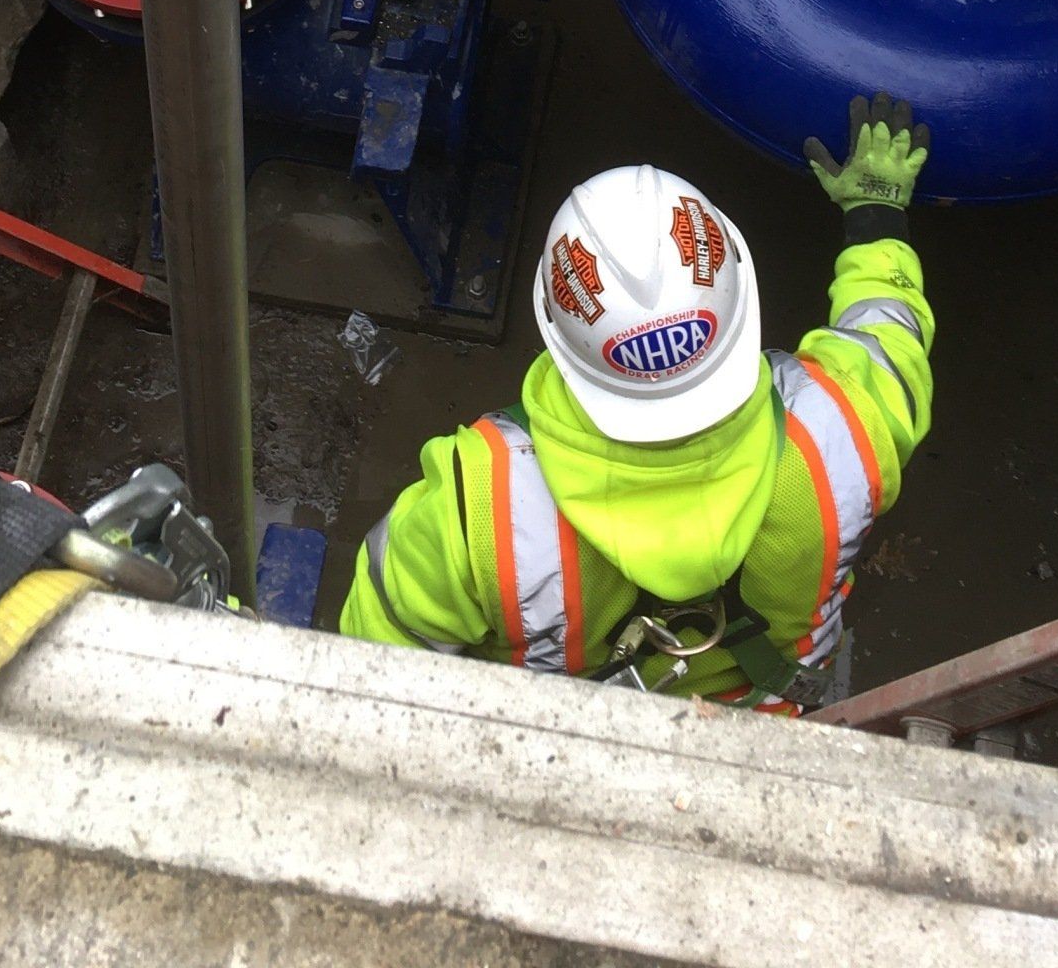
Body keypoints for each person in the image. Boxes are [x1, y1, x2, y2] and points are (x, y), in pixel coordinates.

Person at [338, 96, 932, 707]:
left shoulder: (474, 513)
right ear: (739, 299)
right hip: (773, 727)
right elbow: (891, 339)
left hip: (563, 750)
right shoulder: (845, 425)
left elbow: (373, 674)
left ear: (556, 330)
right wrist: (876, 218)